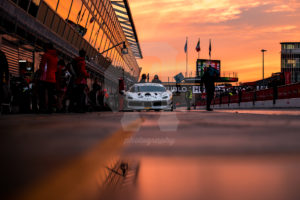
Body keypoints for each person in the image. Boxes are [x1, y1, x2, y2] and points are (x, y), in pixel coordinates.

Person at [39, 43, 58, 113]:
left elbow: (42, 66)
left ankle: (42, 108)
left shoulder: (46, 55)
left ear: (47, 48)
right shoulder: (55, 57)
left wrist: (40, 74)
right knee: (50, 94)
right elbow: (55, 69)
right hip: (52, 78)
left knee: (42, 94)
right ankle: (50, 109)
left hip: (45, 77)